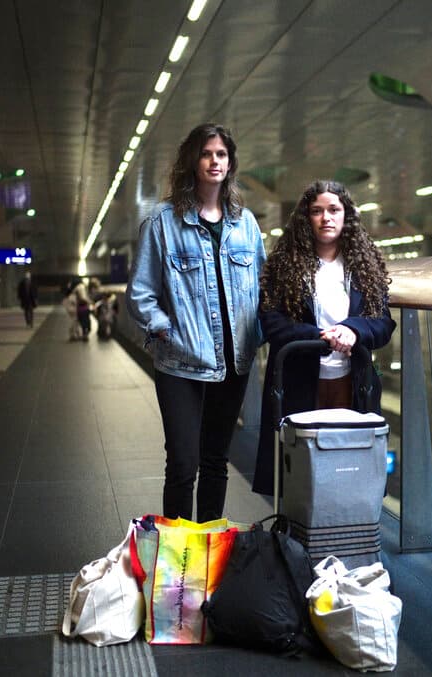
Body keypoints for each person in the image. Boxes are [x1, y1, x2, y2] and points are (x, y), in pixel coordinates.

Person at [126, 123, 265, 522]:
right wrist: (164, 328)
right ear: (192, 160)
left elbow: (262, 284)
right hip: (180, 362)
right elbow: (140, 292)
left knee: (216, 461)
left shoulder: (246, 223)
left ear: (230, 163)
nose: (214, 161)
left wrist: (260, 332)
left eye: (221, 155)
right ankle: (177, 562)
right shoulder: (163, 222)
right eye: (207, 154)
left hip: (234, 362)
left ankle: (207, 552)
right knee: (184, 464)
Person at [252, 179, 396, 496]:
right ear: (306, 218)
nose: (326, 217)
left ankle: (343, 538)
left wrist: (353, 330)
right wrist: (321, 335)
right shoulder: (283, 266)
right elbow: (271, 323)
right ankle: (299, 543)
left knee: (349, 470)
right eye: (316, 211)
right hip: (300, 383)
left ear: (346, 216)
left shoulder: (365, 267)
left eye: (334, 209)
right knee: (301, 477)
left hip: (352, 383)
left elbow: (383, 324)